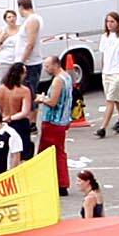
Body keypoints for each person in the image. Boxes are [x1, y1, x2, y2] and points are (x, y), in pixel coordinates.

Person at [35, 55, 73, 195]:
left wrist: (41, 99)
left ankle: (56, 183)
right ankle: (61, 182)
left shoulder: (58, 80)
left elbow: (53, 102)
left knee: (47, 153)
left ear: (56, 65)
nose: (46, 69)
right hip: (62, 120)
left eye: (47, 66)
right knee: (59, 152)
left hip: (53, 121)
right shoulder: (67, 77)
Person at [94, 13, 119, 137]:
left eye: (112, 21)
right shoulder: (105, 37)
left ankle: (103, 127)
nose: (109, 24)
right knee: (117, 99)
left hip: (117, 72)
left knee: (110, 99)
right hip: (107, 71)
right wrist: (103, 70)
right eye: (108, 21)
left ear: (118, 22)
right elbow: (104, 54)